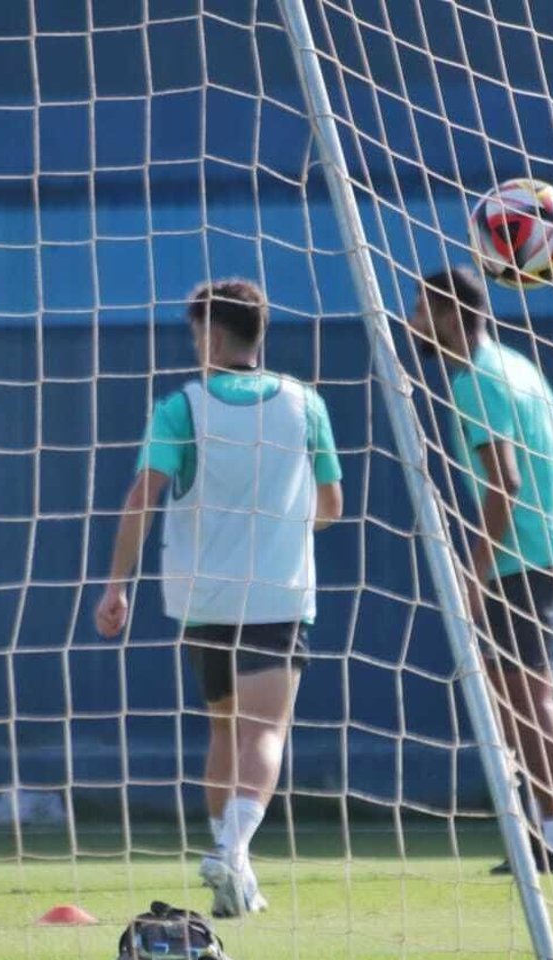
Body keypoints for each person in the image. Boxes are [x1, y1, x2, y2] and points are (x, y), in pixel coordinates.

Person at [96, 279, 343, 916]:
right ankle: (232, 852)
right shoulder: (305, 403)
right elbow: (331, 507)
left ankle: (236, 874)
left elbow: (141, 498)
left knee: (224, 730)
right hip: (276, 597)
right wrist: (282, 527)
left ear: (210, 333)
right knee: (266, 732)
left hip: (200, 599)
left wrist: (117, 585)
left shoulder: (181, 406)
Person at [408, 266, 553, 873]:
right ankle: (551, 834)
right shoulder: (520, 365)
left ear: (453, 315)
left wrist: (476, 571)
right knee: (522, 697)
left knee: (527, 696)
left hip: (525, 554)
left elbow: (505, 482)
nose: (413, 323)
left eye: (422, 310)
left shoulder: (476, 381)